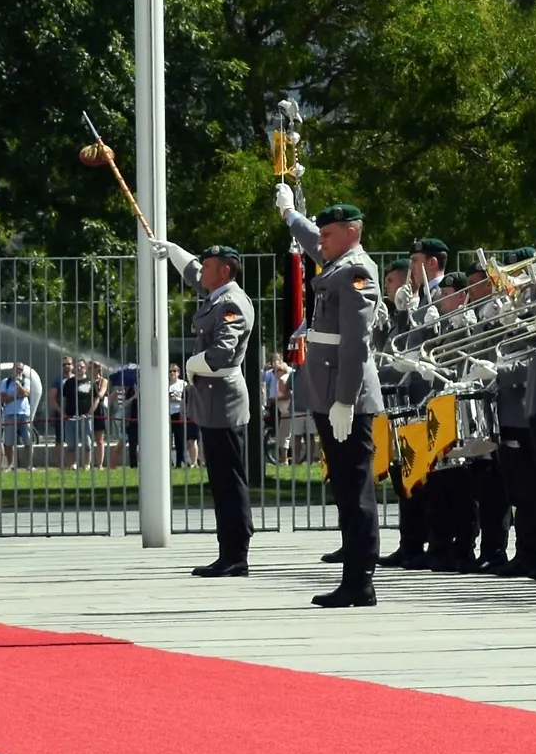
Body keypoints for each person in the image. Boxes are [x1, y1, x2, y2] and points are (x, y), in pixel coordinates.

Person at [281, 191, 392, 606]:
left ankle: (360, 581)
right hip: (330, 393)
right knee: (344, 487)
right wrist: (291, 215)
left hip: (348, 396)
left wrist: (345, 399)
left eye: (328, 233)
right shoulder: (337, 262)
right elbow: (312, 240)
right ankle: (353, 577)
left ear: (351, 233)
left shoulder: (356, 270)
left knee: (355, 486)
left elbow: (356, 343)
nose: (320, 241)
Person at [145, 240, 264, 577]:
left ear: (224, 270)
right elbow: (193, 273)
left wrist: (193, 364)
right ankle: (228, 551)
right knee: (221, 480)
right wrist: (171, 250)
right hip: (213, 402)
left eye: (208, 266)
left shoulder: (231, 304)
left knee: (229, 482)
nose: (202, 271)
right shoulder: (218, 295)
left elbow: (223, 352)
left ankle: (236, 553)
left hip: (223, 401)